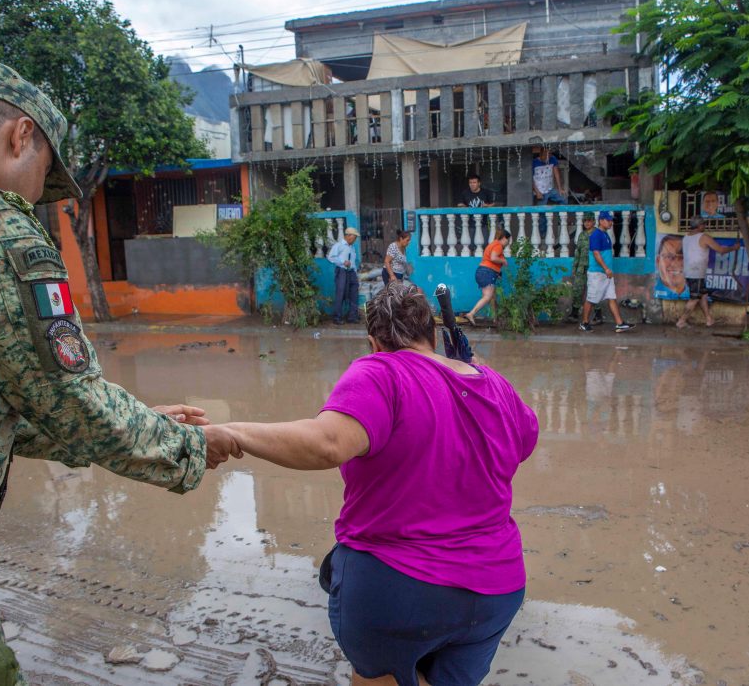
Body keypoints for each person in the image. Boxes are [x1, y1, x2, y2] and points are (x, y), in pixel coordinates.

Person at [0, 59, 237, 685]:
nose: (34, 198)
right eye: (44, 174)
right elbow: (65, 398)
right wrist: (183, 445)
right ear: (21, 135)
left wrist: (138, 420)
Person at [219, 284, 538, 686]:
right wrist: (477, 373)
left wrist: (233, 433)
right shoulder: (496, 385)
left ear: (373, 343)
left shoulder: (381, 371)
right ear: (432, 334)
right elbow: (524, 442)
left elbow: (327, 443)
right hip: (498, 588)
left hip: (401, 585)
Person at [676, 218, 741, 328]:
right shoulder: (704, 237)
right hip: (696, 272)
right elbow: (720, 250)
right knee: (694, 298)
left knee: (703, 295)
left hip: (690, 271)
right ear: (699, 226)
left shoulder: (686, 237)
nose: (705, 226)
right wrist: (734, 247)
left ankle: (709, 319)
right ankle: (681, 321)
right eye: (703, 224)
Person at [579, 211, 633, 333]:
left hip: (607, 274)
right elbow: (596, 253)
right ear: (601, 221)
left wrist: (607, 270)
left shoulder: (605, 234)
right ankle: (584, 323)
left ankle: (620, 324)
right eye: (608, 220)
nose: (610, 223)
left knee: (611, 297)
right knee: (591, 299)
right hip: (597, 273)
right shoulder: (596, 235)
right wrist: (606, 268)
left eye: (611, 220)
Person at [465, 228, 511, 326]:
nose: (508, 242)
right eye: (508, 240)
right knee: (488, 296)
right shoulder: (498, 245)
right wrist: (503, 261)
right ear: (504, 238)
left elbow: (490, 261)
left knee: (492, 296)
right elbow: (493, 258)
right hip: (487, 273)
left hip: (483, 271)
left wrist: (498, 273)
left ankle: (495, 319)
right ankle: (471, 313)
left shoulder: (492, 244)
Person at [532, 146, 567, 238]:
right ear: (542, 153)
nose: (549, 156)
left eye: (550, 154)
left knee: (563, 199)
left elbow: (556, 173)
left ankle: (561, 220)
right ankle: (543, 235)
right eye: (547, 154)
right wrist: (537, 192)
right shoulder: (534, 162)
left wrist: (560, 188)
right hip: (540, 191)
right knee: (541, 214)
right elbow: (531, 179)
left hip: (550, 189)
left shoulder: (552, 159)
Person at [328, 227, 361, 324]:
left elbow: (353, 262)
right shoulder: (339, 245)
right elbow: (330, 257)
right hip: (342, 271)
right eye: (354, 237)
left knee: (354, 292)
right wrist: (343, 262)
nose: (355, 239)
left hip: (351, 272)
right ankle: (337, 318)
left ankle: (352, 316)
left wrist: (355, 272)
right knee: (340, 293)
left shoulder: (352, 247)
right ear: (348, 236)